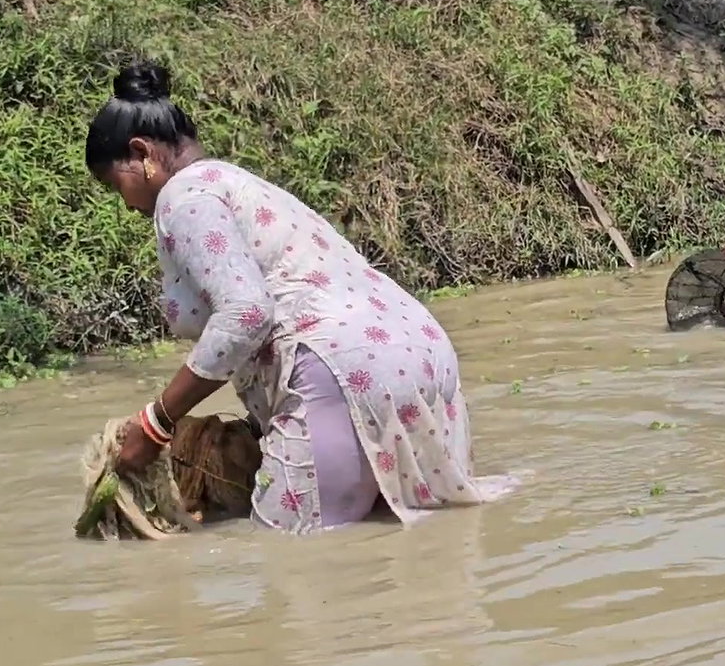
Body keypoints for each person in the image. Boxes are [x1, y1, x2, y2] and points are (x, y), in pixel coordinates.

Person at [85, 61, 514, 535]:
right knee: (420, 543)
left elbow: (247, 313)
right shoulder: (239, 184)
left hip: (339, 371)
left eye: (115, 184)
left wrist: (156, 423)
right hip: (421, 356)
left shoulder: (183, 197)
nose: (125, 204)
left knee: (293, 563)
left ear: (141, 152)